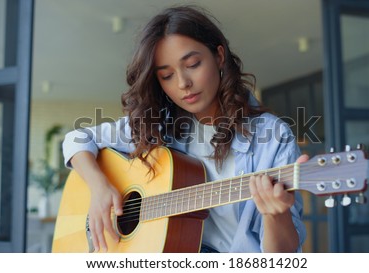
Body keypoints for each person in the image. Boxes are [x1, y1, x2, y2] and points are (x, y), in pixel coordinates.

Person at [62, 5, 307, 253]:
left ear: (219, 56)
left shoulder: (272, 137)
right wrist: (99, 187)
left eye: (193, 64)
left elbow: (283, 255)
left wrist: (275, 214)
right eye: (167, 76)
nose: (183, 83)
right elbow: (78, 138)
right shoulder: (157, 124)